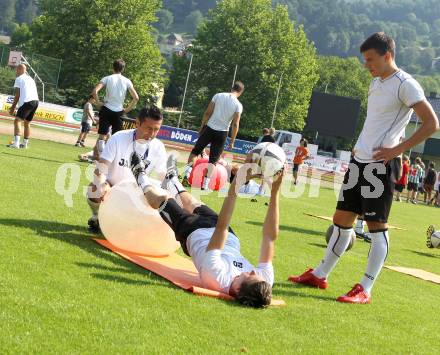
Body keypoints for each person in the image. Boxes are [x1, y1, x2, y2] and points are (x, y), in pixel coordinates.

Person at [290, 32, 439, 304]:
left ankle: (365, 288)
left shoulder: (406, 84)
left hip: (381, 166)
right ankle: (320, 274)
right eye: (364, 60)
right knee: (341, 220)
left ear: (387, 55)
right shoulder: (375, 82)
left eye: (370, 59)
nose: (366, 65)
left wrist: (397, 150)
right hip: (360, 163)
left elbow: (432, 124)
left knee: (376, 227)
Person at [130, 151, 282, 308]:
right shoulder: (264, 281)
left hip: (193, 232)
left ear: (236, 288)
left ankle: (140, 176)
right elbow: (269, 237)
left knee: (163, 200)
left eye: (250, 276)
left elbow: (221, 228)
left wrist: (236, 185)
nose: (253, 272)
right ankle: (172, 179)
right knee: (192, 202)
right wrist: (275, 192)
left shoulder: (217, 278)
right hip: (228, 235)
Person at [86, 106, 167, 233]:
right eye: (149, 128)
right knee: (95, 188)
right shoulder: (119, 137)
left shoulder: (159, 147)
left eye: (156, 130)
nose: (152, 134)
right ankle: (97, 216)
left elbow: (163, 177)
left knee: (161, 196)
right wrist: (101, 183)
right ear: (138, 123)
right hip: (112, 189)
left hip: (137, 193)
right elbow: (102, 167)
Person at [182, 81, 244, 190]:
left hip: (209, 128)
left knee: (196, 151)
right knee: (213, 160)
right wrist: (233, 140)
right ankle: (205, 185)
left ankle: (187, 174)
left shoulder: (218, 95)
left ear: (232, 87)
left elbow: (207, 112)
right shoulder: (238, 105)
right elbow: (235, 124)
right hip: (222, 133)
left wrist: (202, 125)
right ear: (240, 92)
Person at [92, 59, 139, 157]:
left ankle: (101, 158)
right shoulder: (127, 81)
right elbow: (136, 98)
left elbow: (95, 91)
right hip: (119, 112)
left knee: (102, 138)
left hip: (106, 109)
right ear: (123, 69)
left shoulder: (107, 78)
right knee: (116, 138)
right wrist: (127, 109)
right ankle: (112, 159)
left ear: (112, 67)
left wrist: (98, 103)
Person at [6, 64, 39, 149]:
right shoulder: (31, 79)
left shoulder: (19, 79)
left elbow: (17, 95)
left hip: (27, 101)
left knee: (17, 121)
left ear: (20, 69)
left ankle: (16, 143)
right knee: (27, 123)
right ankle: (24, 144)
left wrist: (13, 107)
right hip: (35, 101)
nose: (16, 71)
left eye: (17, 69)